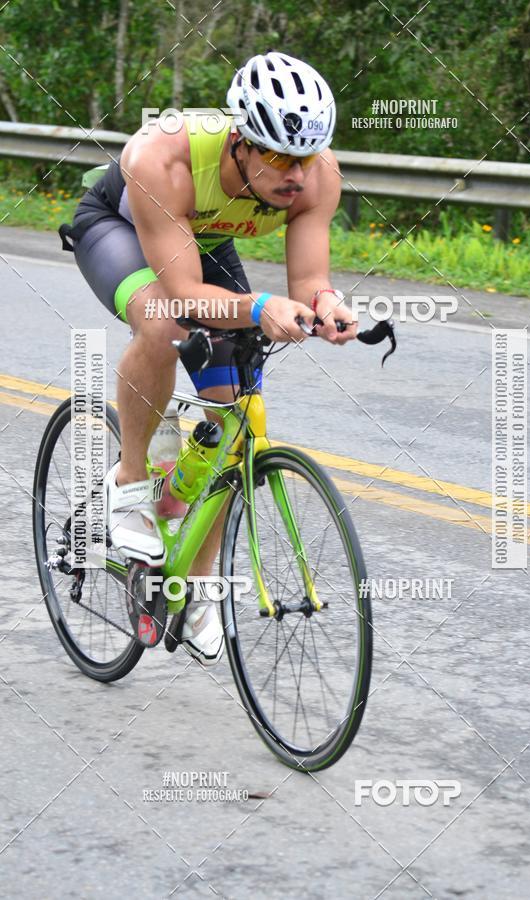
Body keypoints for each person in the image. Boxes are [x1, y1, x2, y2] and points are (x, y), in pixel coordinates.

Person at [59, 51, 356, 665]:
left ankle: (197, 588)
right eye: (279, 157)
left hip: (206, 244)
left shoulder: (317, 174)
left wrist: (325, 304)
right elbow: (185, 294)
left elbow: (310, 279)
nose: (296, 174)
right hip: (119, 228)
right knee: (164, 321)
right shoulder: (163, 156)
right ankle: (130, 484)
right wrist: (257, 306)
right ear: (240, 141)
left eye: (305, 157)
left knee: (234, 420)